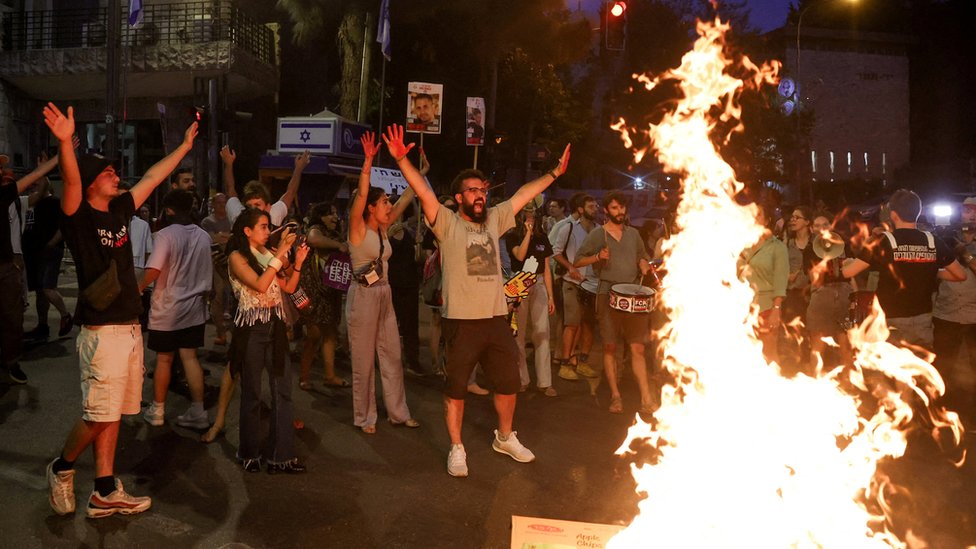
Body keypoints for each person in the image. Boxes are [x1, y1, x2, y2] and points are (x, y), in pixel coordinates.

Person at [386, 123, 569, 477]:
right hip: (461, 321)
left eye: (482, 189)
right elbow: (423, 190)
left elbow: (522, 194)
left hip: (496, 319)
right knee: (456, 388)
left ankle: (505, 436)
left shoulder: (495, 219)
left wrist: (554, 173)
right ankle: (457, 447)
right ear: (459, 198)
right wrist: (402, 161)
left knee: (509, 383)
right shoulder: (446, 222)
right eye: (472, 190)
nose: (480, 194)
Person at [43, 102, 197, 518]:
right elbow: (71, 179)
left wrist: (184, 148)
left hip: (129, 327)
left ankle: (104, 490)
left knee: (113, 413)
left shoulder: (120, 209)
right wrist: (65, 143)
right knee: (98, 413)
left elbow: (152, 177)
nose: (117, 174)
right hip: (102, 331)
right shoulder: (77, 214)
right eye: (108, 172)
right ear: (92, 183)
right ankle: (62, 467)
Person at [346, 131, 419, 434]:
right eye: (384, 201)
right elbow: (361, 196)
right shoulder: (357, 229)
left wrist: (418, 172)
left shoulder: (384, 229)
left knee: (392, 355)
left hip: (384, 293)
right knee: (363, 361)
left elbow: (408, 196)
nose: (389, 205)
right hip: (363, 296)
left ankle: (399, 413)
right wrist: (367, 163)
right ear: (370, 207)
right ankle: (365, 417)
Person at [227, 208, 309, 473]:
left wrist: (297, 263)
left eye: (268, 226)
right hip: (252, 328)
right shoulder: (237, 257)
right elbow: (260, 285)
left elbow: (289, 287)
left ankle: (281, 455)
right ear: (247, 231)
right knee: (252, 391)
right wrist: (281, 252)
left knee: (282, 391)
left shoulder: (269, 253)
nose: (268, 231)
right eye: (263, 226)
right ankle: (249, 452)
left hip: (275, 325)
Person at [842, 189, 965, 349]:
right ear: (918, 213)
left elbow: (848, 272)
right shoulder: (932, 241)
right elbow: (960, 275)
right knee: (921, 362)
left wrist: (847, 261)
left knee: (893, 364)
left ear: (893, 215)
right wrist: (930, 269)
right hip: (923, 320)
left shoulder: (883, 242)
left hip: (890, 321)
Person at [574, 192, 653, 415]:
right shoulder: (598, 234)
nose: (620, 212)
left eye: (622, 208)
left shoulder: (633, 234)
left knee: (637, 348)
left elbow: (642, 256)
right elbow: (578, 260)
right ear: (606, 210)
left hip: (633, 296)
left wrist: (643, 264)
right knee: (610, 347)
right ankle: (615, 396)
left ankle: (646, 397)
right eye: (615, 208)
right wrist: (597, 257)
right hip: (608, 295)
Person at [140, 190, 213, 429]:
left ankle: (158, 410)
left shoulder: (165, 235)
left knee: (164, 359)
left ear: (169, 210)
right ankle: (198, 411)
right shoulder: (203, 236)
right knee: (190, 358)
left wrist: (135, 289)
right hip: (194, 309)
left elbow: (153, 270)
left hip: (168, 309)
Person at [1, 151, 59, 383]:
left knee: (13, 315)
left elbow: (36, 187)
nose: (3, 175)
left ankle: (11, 361)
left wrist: (49, 166)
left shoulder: (13, 200)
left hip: (8, 263)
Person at [506, 203, 556, 396]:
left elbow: (547, 269)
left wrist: (551, 296)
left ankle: (545, 382)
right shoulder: (513, 236)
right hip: (519, 282)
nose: (531, 219)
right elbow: (519, 255)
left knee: (542, 332)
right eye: (527, 215)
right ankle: (521, 379)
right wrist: (527, 233)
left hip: (539, 282)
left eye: (533, 216)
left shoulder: (542, 238)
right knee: (518, 334)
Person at [298, 201, 349, 390]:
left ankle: (329, 376)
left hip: (330, 292)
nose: (335, 217)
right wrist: (339, 245)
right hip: (314, 292)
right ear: (320, 217)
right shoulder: (316, 230)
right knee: (314, 335)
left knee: (330, 333)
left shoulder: (335, 234)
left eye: (335, 213)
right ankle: (304, 377)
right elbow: (313, 239)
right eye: (330, 214)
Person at [550, 193, 600, 381]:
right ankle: (565, 363)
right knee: (572, 323)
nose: (595, 209)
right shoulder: (569, 228)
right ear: (580, 209)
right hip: (572, 283)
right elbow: (556, 252)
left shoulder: (598, 230)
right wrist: (570, 267)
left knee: (588, 324)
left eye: (596, 206)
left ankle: (582, 361)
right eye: (591, 206)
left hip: (593, 283)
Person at [932, 220, 976, 421]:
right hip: (946, 314)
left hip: (973, 316)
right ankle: (939, 408)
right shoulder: (943, 248)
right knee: (943, 364)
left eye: (971, 230)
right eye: (963, 230)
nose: (966, 235)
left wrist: (964, 253)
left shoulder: (967, 252)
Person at [22, 173, 73, 342]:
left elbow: (64, 226)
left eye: (37, 184)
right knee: (40, 291)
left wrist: (51, 243)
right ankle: (42, 325)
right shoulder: (33, 204)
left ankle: (65, 315)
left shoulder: (54, 203)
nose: (34, 187)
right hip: (35, 252)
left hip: (49, 251)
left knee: (47, 287)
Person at [740, 204, 789, 363]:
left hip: (766, 307)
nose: (754, 217)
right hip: (741, 307)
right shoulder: (741, 243)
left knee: (768, 354)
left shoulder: (777, 247)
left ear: (767, 220)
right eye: (752, 213)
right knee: (743, 354)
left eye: (759, 214)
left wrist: (776, 309)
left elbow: (781, 281)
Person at [221, 146, 309, 226]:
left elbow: (291, 192)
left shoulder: (274, 215)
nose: (253, 209)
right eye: (249, 206)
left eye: (257, 205)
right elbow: (230, 189)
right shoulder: (238, 217)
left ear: (268, 207)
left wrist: (298, 169)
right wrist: (228, 164)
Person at [202, 193, 232, 345]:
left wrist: (222, 236)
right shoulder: (208, 222)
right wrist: (224, 236)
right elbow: (213, 239)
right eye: (219, 203)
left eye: (224, 203)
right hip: (216, 263)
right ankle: (221, 332)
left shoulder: (232, 220)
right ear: (213, 204)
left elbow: (231, 238)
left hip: (232, 262)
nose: (222, 206)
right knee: (217, 298)